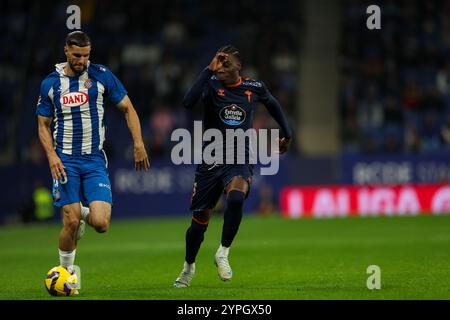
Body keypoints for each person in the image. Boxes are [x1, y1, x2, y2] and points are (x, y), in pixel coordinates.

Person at [174, 45, 292, 287]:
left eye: (226, 66)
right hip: (211, 158)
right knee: (199, 223)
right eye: (219, 65)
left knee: (236, 199)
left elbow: (273, 105)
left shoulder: (254, 87)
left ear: (239, 68)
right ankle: (188, 267)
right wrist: (208, 69)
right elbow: (187, 102)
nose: (221, 70)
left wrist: (287, 133)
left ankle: (223, 253)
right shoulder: (210, 83)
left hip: (240, 156)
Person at [36, 31, 150, 276]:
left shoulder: (101, 75)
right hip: (64, 160)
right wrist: (51, 156)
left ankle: (82, 212)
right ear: (66, 50)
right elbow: (43, 125)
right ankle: (67, 274)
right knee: (70, 220)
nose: (81, 60)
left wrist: (138, 142)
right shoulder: (50, 83)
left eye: (86, 55)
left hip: (94, 160)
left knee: (101, 224)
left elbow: (128, 109)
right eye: (77, 55)